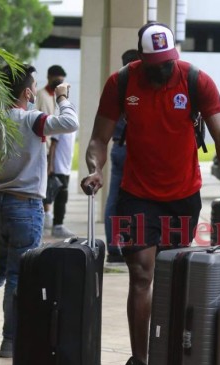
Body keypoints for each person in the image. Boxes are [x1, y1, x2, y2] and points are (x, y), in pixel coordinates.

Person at [81, 22, 220, 365]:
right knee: (141, 274)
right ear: (141, 59)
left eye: (167, 63)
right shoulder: (121, 83)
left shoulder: (195, 80)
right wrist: (95, 169)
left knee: (172, 276)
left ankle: (170, 358)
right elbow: (98, 138)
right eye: (155, 65)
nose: (163, 70)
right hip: (136, 194)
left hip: (183, 195)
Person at [0, 64, 79, 357]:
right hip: (26, 206)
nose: (34, 91)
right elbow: (69, 123)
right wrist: (62, 97)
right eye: (32, 86)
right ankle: (11, 341)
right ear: (26, 92)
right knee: (19, 274)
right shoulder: (31, 120)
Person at [104, 49, 140, 263]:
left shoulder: (115, 85)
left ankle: (113, 247)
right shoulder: (135, 87)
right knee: (133, 199)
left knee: (114, 199)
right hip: (133, 149)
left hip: (118, 146)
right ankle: (128, 242)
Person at [37, 65, 77, 238]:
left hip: (57, 146)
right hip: (45, 145)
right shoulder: (41, 95)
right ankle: (47, 216)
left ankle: (49, 218)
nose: (60, 84)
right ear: (49, 77)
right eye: (57, 80)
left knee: (55, 187)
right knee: (50, 187)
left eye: (62, 81)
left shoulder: (62, 100)